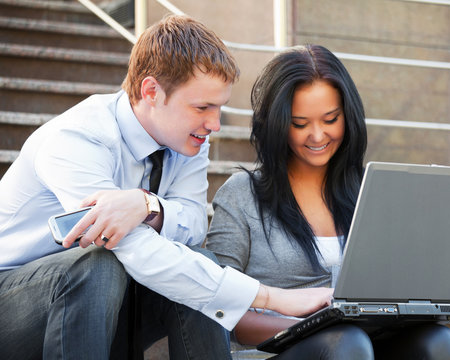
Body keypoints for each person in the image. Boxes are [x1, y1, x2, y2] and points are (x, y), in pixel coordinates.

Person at [0, 17, 333, 359]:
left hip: (107, 298)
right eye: (202, 107)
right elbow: (135, 250)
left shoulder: (188, 138)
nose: (215, 124)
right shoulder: (76, 138)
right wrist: (271, 298)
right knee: (96, 265)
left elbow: (192, 226)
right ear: (151, 91)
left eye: (219, 108)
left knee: (197, 260)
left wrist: (149, 206)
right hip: (15, 300)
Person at [206, 44, 450, 359]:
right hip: (280, 353)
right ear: (278, 124)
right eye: (300, 123)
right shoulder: (241, 195)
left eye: (330, 119)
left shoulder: (371, 190)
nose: (318, 136)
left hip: (364, 346)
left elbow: (410, 276)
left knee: (437, 342)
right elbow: (220, 307)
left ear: (347, 116)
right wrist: (308, 324)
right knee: (345, 343)